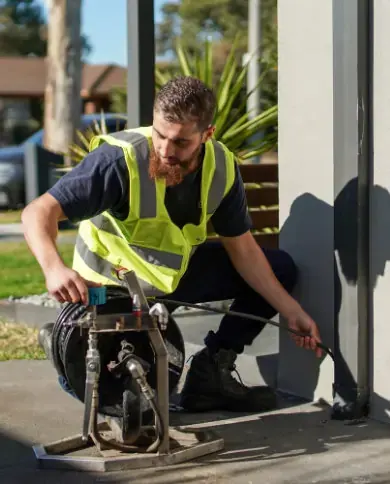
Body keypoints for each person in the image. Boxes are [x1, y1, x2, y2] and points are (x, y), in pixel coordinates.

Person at [22, 75, 322, 413]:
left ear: (206, 135)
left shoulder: (221, 168)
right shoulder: (119, 161)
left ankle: (210, 374)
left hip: (171, 282)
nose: (165, 150)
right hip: (110, 291)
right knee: (124, 405)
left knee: (280, 268)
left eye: (180, 143)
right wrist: (54, 268)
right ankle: (63, 346)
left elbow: (245, 253)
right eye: (160, 135)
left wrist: (292, 312)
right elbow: (37, 212)